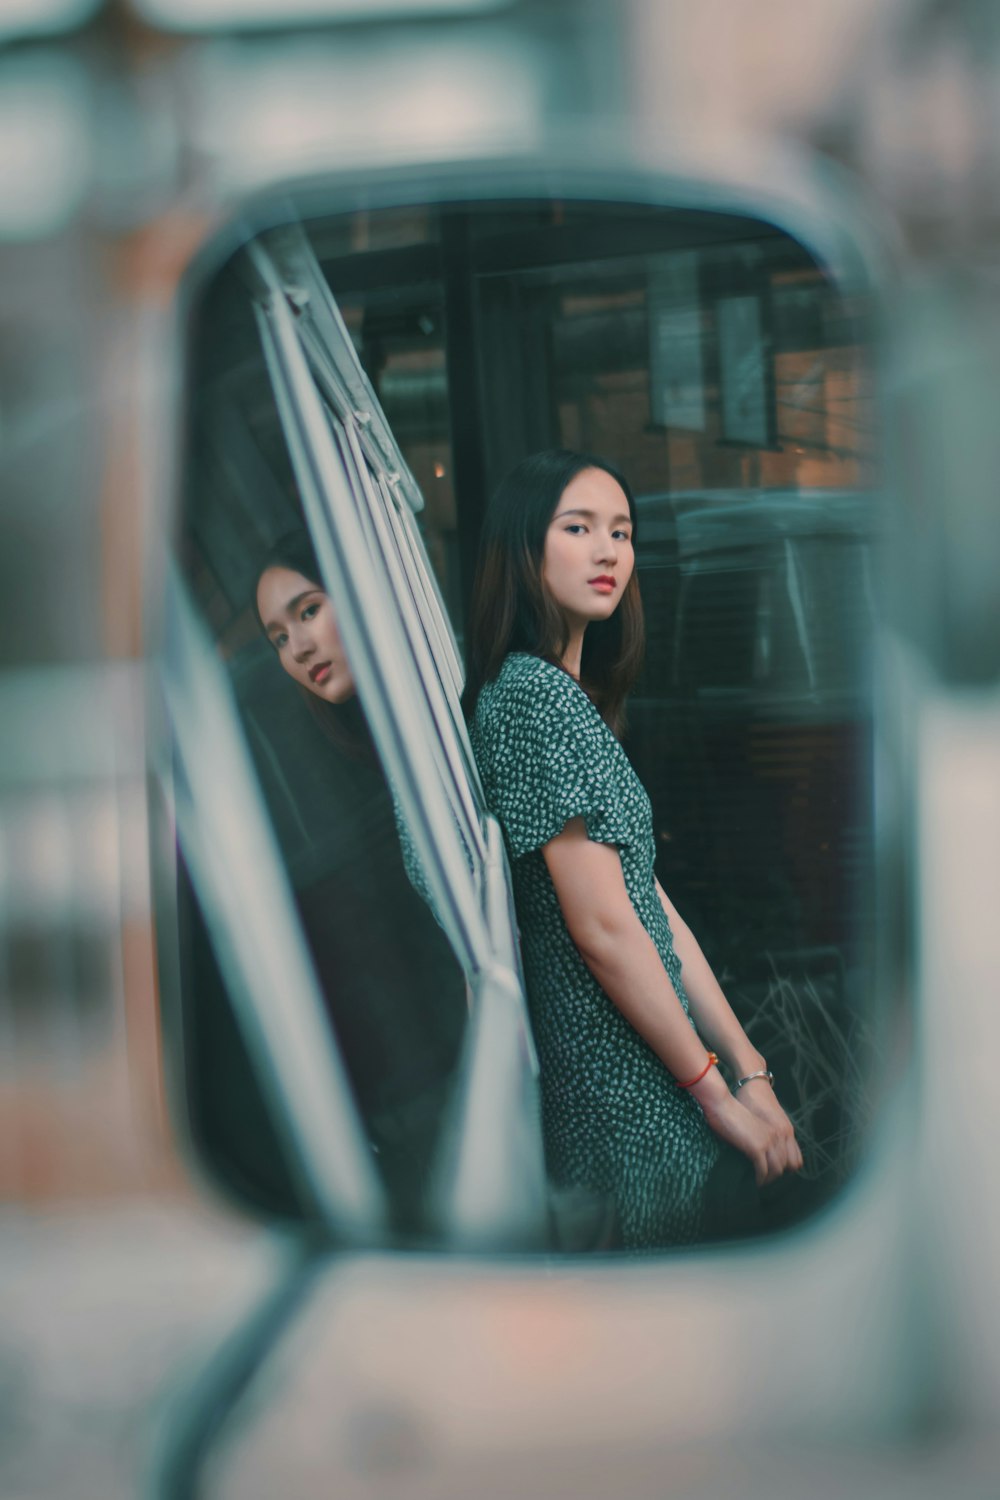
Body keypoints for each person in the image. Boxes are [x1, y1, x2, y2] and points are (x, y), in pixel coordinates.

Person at [463, 450, 803, 1249]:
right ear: (523, 548)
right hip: (629, 1109)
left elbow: (648, 906)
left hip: (658, 1085)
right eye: (577, 527)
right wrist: (716, 1092)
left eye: (622, 530)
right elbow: (605, 928)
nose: (609, 549)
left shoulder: (560, 697)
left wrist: (748, 1068)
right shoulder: (532, 696)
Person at [252, 531, 466, 1236]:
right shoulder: (336, 763)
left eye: (308, 611)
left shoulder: (446, 712)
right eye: (279, 637)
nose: (299, 649)